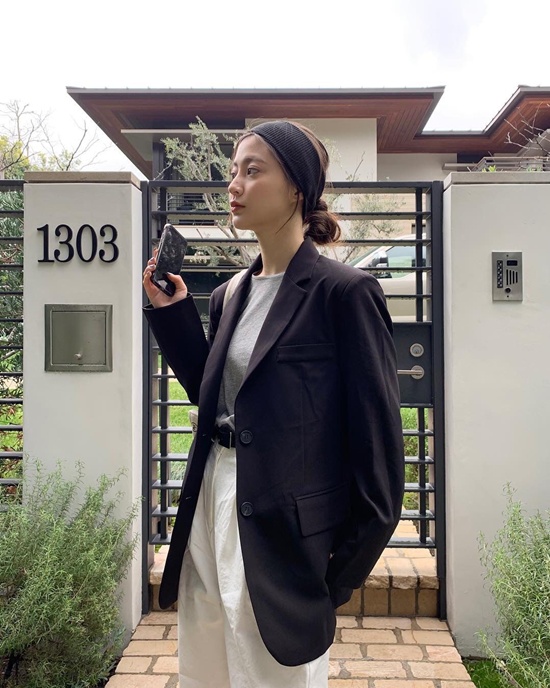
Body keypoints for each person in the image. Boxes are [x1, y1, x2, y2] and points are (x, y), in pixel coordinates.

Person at [142, 120, 404, 688]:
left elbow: (380, 454)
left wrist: (337, 575)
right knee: (207, 668)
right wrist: (173, 315)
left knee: (270, 673)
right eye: (233, 170)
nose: (234, 184)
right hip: (212, 496)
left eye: (252, 170)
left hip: (284, 520)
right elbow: (220, 397)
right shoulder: (230, 293)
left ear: (297, 189)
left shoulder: (344, 293)